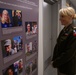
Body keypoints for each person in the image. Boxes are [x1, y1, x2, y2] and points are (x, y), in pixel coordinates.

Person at [52, 7, 76, 75]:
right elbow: (58, 45)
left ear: (70, 17)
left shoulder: (74, 31)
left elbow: (69, 53)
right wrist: (54, 59)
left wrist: (56, 62)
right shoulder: (65, 29)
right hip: (61, 65)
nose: (60, 19)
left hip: (67, 68)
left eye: (62, 16)